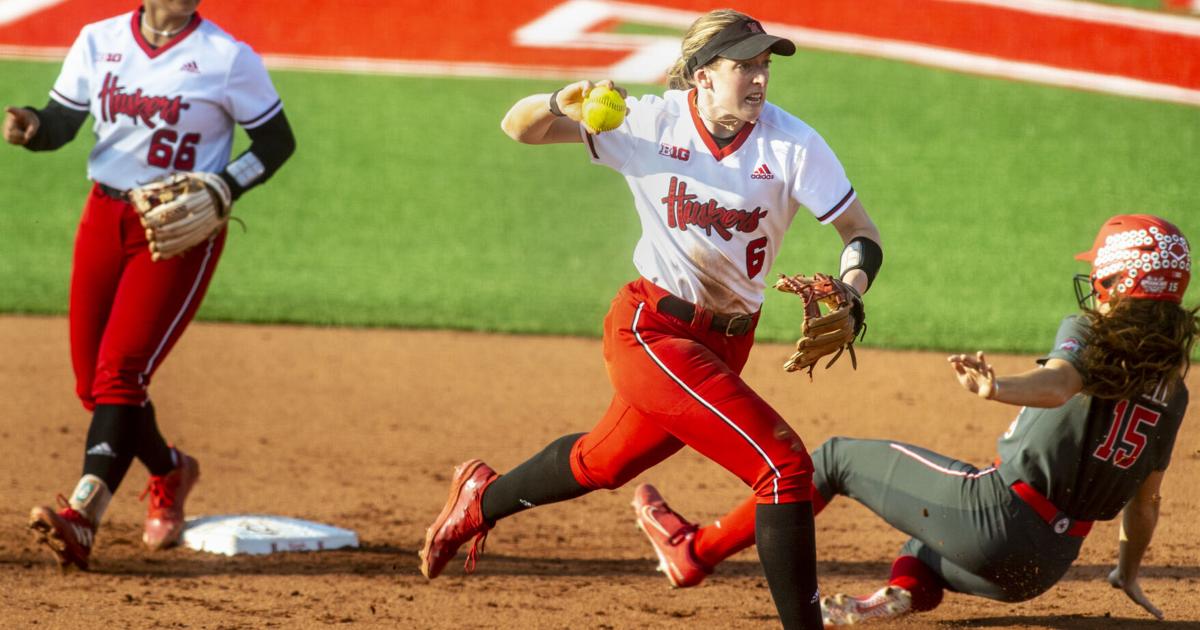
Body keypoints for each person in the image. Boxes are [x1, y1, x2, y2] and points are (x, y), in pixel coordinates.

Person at [417, 9, 883, 629]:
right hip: (650, 331)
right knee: (783, 468)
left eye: (765, 64)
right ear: (702, 76)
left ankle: (480, 498)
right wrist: (558, 101)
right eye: (744, 66)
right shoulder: (647, 122)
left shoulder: (792, 144)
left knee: (602, 463)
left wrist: (851, 290)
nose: (760, 78)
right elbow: (520, 128)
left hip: (726, 345)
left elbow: (860, 233)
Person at [631, 214, 1194, 625]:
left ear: (1118, 282)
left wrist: (998, 388)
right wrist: (1126, 572)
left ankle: (694, 552)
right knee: (927, 541)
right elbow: (1146, 503)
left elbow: (1059, 385)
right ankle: (894, 597)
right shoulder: (1174, 390)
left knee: (830, 460)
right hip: (1042, 567)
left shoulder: (1090, 332)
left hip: (994, 517)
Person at [4, 0, 295, 570]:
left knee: (120, 373)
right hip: (103, 217)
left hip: (177, 232)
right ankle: (169, 470)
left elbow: (276, 143)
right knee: (92, 384)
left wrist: (226, 185)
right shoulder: (99, 40)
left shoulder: (227, 58)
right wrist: (34, 127)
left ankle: (83, 515)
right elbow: (62, 120)